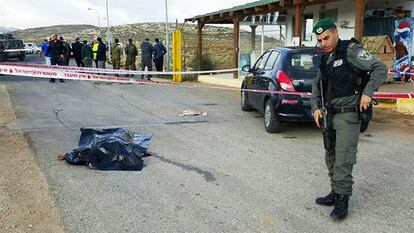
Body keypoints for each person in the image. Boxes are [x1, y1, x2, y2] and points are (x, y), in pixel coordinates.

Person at [311, 18, 387, 220]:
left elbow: (380, 69)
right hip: (329, 114)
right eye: (319, 40)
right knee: (331, 156)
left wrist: (368, 93)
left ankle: (343, 200)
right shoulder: (325, 58)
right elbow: (316, 85)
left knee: (343, 158)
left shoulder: (351, 51)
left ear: (336, 32)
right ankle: (335, 192)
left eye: (326, 37)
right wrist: (315, 107)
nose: (323, 43)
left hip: (348, 114)